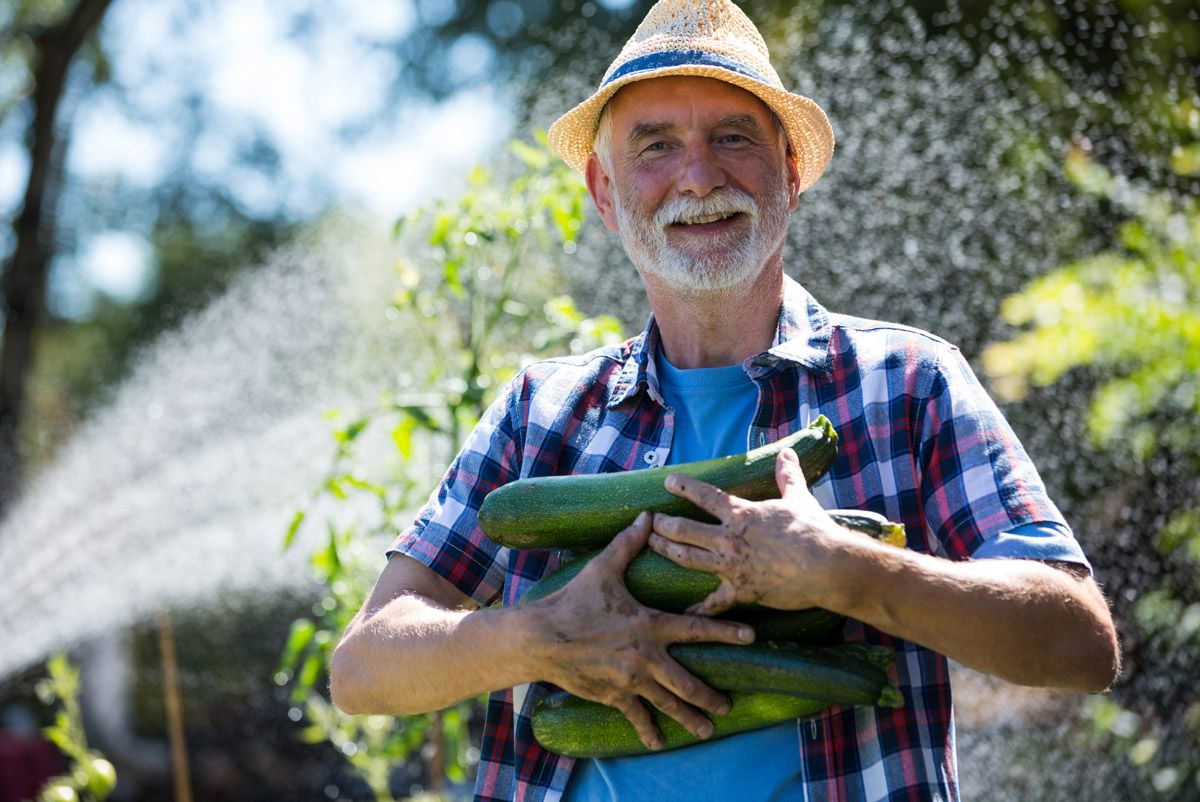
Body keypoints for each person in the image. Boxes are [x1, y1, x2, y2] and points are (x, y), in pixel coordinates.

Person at [329, 1, 1121, 800]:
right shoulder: (541, 412)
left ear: (792, 175)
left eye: (733, 138)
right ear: (605, 194)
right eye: (656, 145)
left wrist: (848, 572)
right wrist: (535, 638)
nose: (699, 175)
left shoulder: (908, 382)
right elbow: (364, 669)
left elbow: (1079, 641)